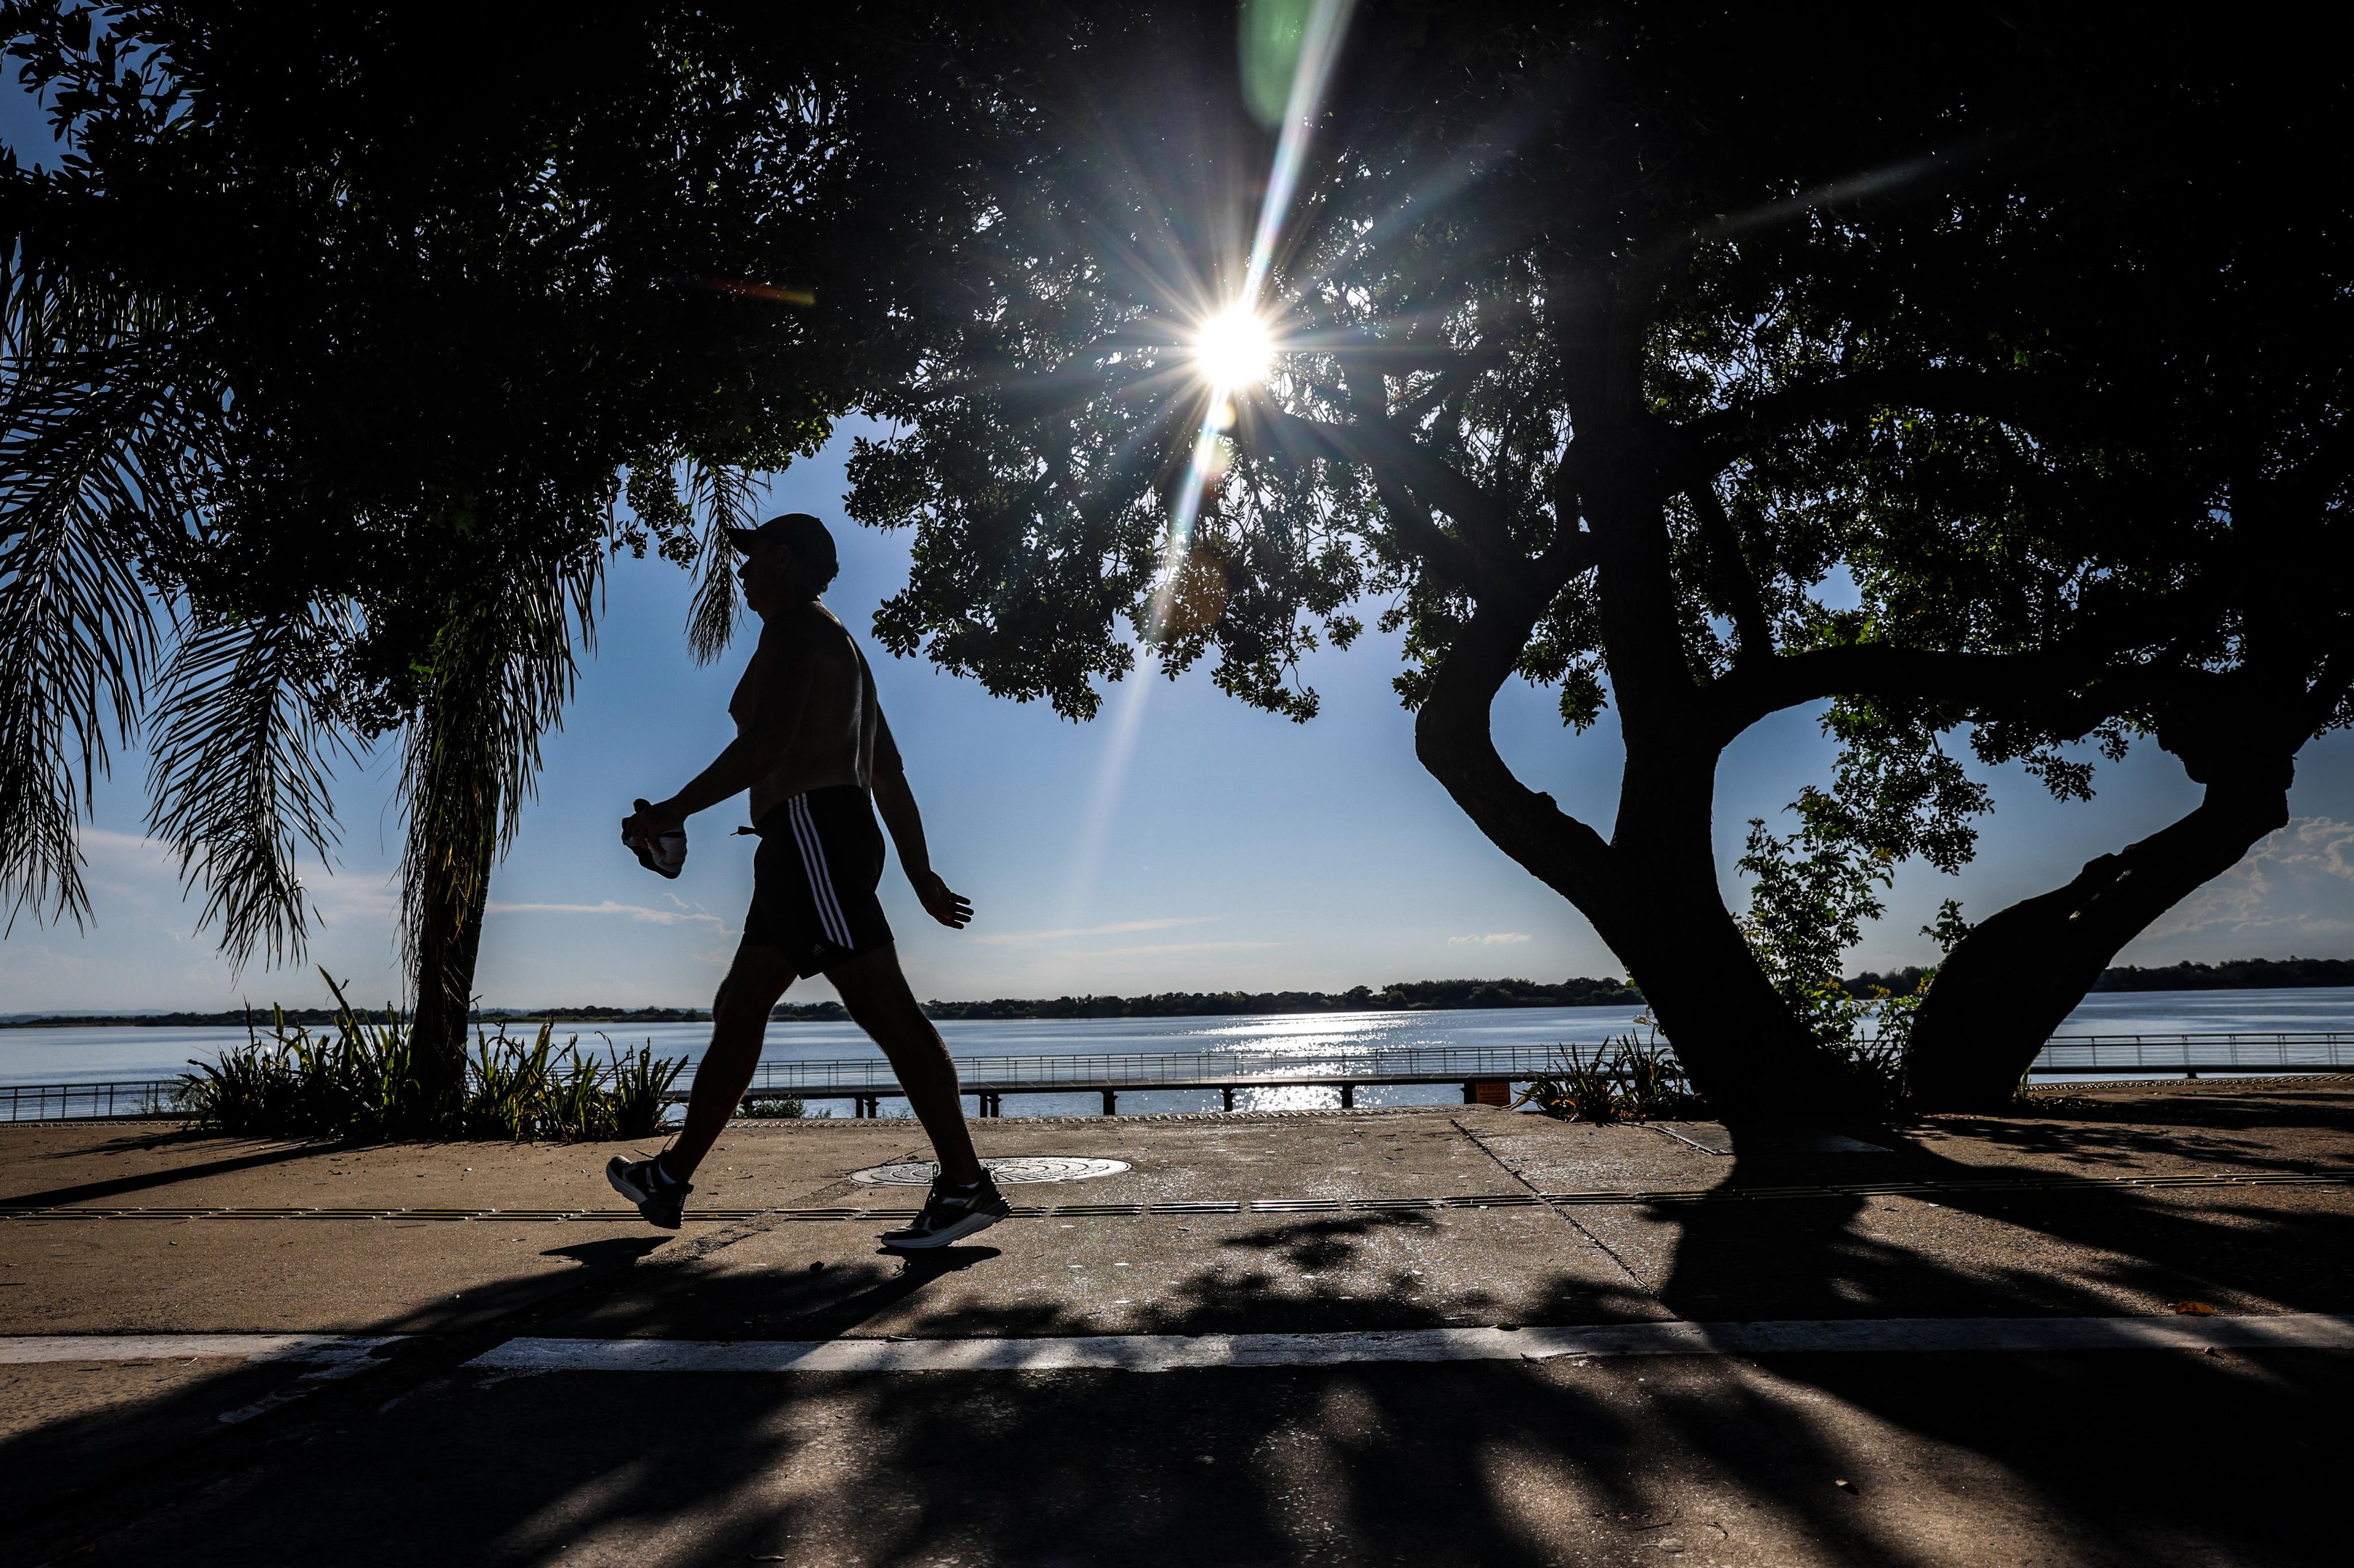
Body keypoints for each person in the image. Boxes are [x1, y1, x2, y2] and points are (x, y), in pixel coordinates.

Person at [606, 513, 1008, 1249]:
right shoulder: (842, 648)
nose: (744, 573)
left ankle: (966, 1185)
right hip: (811, 842)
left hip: (816, 835)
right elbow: (885, 771)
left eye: (754, 559)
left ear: (785, 560)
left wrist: (672, 809)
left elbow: (767, 743)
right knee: (743, 1001)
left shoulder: (794, 629)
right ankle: (670, 1180)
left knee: (887, 1010)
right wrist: (917, 873)